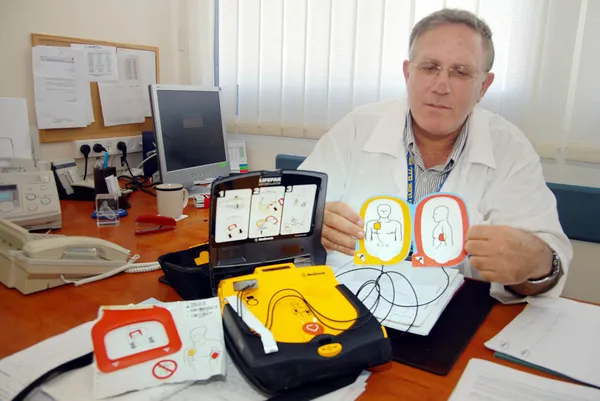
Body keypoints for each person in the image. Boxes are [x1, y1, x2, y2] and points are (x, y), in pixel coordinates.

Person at [298, 8, 572, 302]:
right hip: (351, 302)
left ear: (484, 86)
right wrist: (309, 225)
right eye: (429, 67)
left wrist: (535, 265)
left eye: (461, 72)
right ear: (408, 73)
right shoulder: (356, 128)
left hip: (458, 313)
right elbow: (289, 212)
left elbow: (547, 273)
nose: (441, 86)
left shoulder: (510, 149)